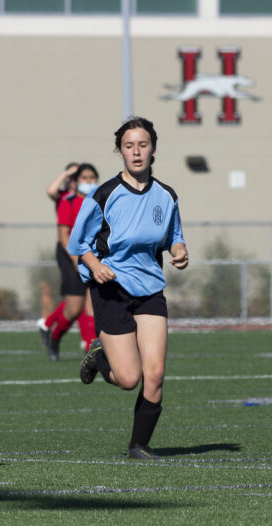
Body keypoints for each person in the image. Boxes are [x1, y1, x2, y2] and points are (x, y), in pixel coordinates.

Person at [67, 116, 188, 459]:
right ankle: (98, 356)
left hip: (149, 290)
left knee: (156, 373)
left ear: (153, 149)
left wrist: (179, 251)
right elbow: (78, 244)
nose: (136, 152)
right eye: (129, 146)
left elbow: (174, 238)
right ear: (120, 152)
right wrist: (95, 266)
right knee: (128, 378)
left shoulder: (166, 196)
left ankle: (139, 445)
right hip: (112, 290)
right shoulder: (103, 195)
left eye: (143, 145)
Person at [39, 164, 99, 361]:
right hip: (71, 256)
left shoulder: (99, 201)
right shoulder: (68, 201)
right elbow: (64, 236)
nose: (89, 181)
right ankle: (54, 336)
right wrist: (76, 260)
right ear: (76, 181)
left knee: (92, 304)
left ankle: (91, 351)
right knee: (73, 308)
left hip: (93, 256)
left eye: (92, 177)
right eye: (84, 178)